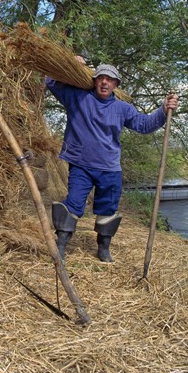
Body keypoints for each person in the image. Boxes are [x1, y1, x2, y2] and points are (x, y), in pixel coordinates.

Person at [46, 58, 179, 262]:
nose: (105, 83)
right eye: (101, 78)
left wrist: (163, 110)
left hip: (109, 168)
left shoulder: (122, 109)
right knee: (72, 203)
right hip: (81, 164)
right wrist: (71, 62)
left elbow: (144, 125)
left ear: (116, 85)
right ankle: (61, 245)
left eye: (110, 80)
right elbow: (51, 81)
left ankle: (103, 249)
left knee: (107, 209)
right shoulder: (77, 98)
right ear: (94, 81)